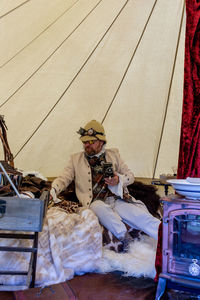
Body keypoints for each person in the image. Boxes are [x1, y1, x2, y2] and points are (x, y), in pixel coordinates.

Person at [50, 120, 160, 243]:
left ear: (101, 142)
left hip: (117, 199)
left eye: (91, 142)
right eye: (85, 142)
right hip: (94, 202)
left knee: (141, 217)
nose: (87, 145)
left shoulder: (114, 154)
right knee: (99, 209)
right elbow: (64, 178)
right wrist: (53, 189)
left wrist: (118, 180)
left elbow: (130, 176)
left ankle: (173, 240)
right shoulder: (75, 159)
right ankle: (125, 238)